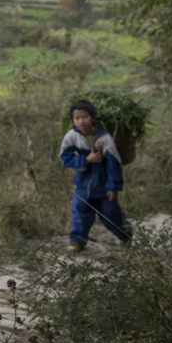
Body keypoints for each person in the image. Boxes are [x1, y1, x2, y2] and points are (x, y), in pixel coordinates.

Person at [59, 100, 132, 252]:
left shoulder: (104, 139)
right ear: (73, 119)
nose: (81, 121)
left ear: (93, 117)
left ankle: (125, 236)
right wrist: (85, 160)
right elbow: (65, 158)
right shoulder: (72, 136)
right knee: (80, 213)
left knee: (111, 214)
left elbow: (114, 164)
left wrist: (113, 186)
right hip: (82, 184)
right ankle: (78, 241)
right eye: (77, 118)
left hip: (103, 186)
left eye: (84, 117)